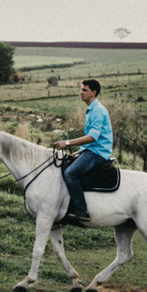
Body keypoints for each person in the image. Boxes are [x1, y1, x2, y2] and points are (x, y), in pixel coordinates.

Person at [54, 78, 113, 226]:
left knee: (70, 173)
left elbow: (92, 137)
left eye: (84, 90)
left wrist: (66, 143)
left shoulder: (98, 110)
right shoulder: (91, 110)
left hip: (98, 153)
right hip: (91, 151)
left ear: (93, 92)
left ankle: (82, 211)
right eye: (81, 89)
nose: (80, 92)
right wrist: (79, 152)